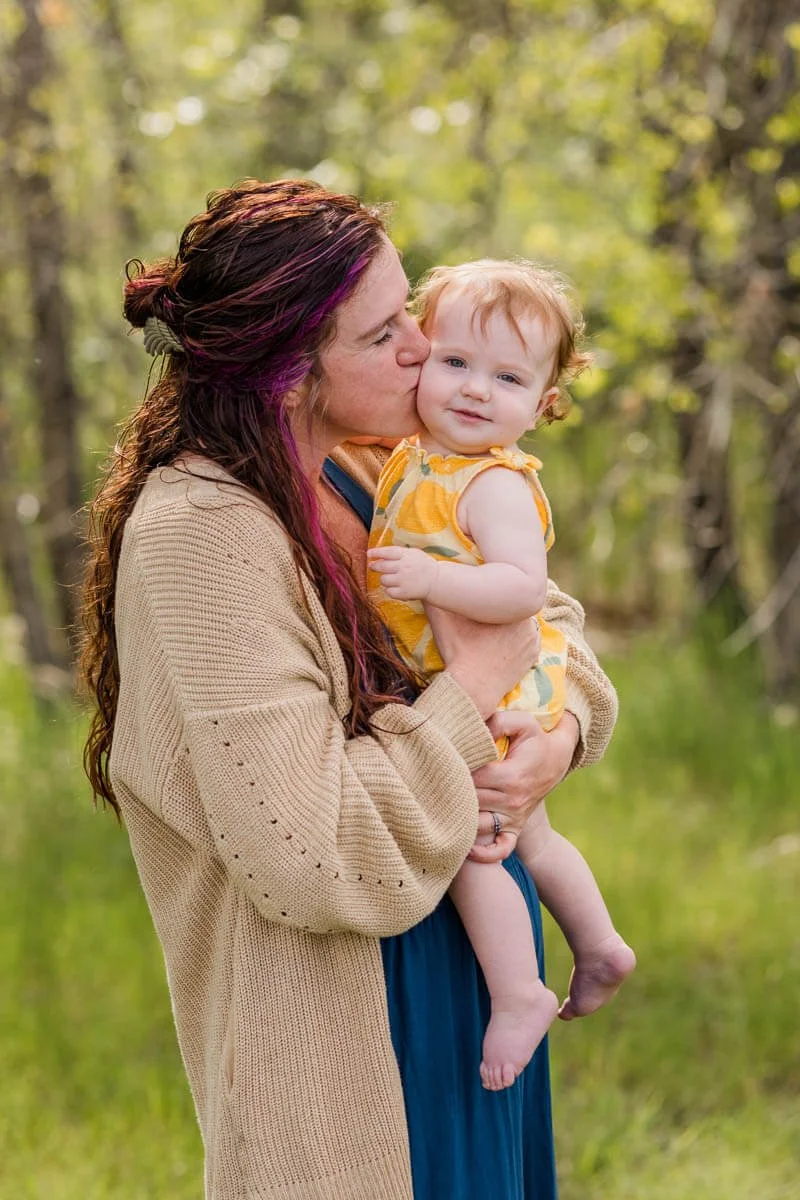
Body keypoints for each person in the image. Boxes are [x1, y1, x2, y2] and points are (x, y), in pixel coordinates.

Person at [79, 179, 619, 1200]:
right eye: (382, 334)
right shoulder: (204, 537)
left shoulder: (373, 467)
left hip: (474, 975)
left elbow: (547, 621)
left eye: (410, 309)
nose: (423, 345)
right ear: (290, 371)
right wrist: (473, 691)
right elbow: (311, 857)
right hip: (353, 1031)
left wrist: (554, 740)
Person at [367, 260, 636, 1093]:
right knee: (536, 835)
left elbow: (522, 589)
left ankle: (520, 991)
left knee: (474, 847)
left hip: (498, 685)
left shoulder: (491, 484)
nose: (476, 390)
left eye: (508, 378)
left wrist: (430, 578)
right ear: (422, 356)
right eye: (456, 362)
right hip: (469, 676)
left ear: (544, 402)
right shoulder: (417, 455)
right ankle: (600, 944)